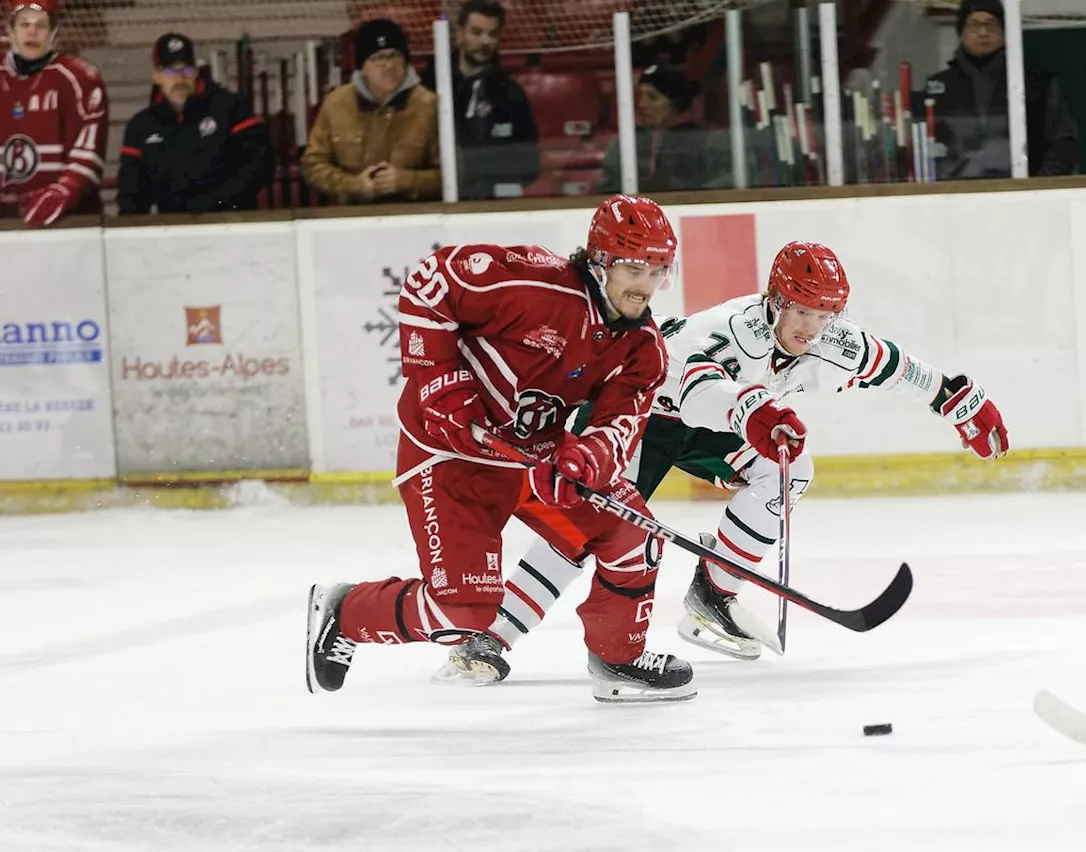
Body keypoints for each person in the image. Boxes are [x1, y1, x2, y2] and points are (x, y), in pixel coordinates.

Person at [441, 241, 1009, 679]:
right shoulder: (725, 332)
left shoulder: (834, 341)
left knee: (789, 471)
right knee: (588, 529)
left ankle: (714, 592)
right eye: (802, 311)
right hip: (637, 413)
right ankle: (488, 636)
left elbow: (895, 366)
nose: (811, 327)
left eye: (825, 314)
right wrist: (755, 412)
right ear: (777, 300)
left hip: (718, 424)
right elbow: (698, 392)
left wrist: (958, 400)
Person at [305, 193, 698, 703]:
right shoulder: (531, 282)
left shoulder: (643, 347)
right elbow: (431, 283)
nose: (645, 286)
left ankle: (618, 658)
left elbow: (620, 426)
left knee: (632, 535)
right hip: (449, 456)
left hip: (534, 463)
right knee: (464, 615)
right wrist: (439, 381)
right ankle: (347, 611)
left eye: (657, 272)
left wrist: (585, 462)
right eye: (634, 269)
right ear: (600, 260)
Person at [116, 33, 272, 214]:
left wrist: (219, 203)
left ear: (196, 71)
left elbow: (260, 163)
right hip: (172, 228)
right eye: (170, 72)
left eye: (186, 70)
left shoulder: (229, 107)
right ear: (157, 75)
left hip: (231, 222)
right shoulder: (141, 127)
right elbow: (131, 192)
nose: (180, 79)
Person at [922, 0, 1077, 180]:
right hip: (953, 196)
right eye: (974, 25)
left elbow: (1062, 142)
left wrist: (1039, 187)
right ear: (961, 32)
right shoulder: (938, 86)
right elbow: (925, 147)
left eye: (991, 24)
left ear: (1005, 32)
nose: (983, 32)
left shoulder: (1036, 81)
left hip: (1024, 196)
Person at [301, 18, 441, 205]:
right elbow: (313, 165)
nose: (389, 65)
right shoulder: (336, 104)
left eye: (394, 55)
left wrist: (406, 181)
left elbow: (451, 173)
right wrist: (354, 185)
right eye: (378, 58)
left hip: (413, 216)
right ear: (363, 67)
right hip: (351, 218)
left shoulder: (429, 105)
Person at [0, 0, 107, 227]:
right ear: (11, 30)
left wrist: (63, 191)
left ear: (53, 32)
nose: (32, 31)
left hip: (68, 221)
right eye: (24, 24)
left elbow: (87, 152)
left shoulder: (79, 78)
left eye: (41, 25)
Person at [421, 0, 539, 200]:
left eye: (492, 34)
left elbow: (529, 162)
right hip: (434, 200)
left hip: (492, 203)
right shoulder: (429, 86)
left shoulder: (511, 95)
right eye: (476, 32)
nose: (485, 41)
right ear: (459, 34)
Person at [599, 63, 732, 193]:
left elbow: (725, 187)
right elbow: (607, 190)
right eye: (640, 97)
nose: (642, 104)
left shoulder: (711, 140)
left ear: (676, 103)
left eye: (653, 97)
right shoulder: (623, 144)